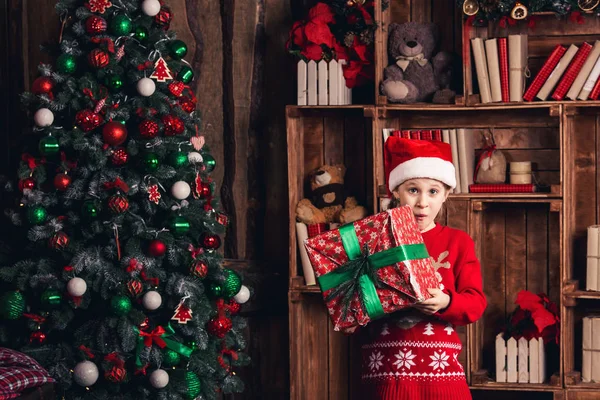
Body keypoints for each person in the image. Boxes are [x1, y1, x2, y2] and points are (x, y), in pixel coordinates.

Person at [359, 137, 487, 400]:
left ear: (446, 194)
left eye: (433, 191)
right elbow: (356, 295)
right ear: (395, 191)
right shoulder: (374, 239)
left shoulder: (458, 241)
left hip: (440, 373)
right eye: (413, 190)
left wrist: (446, 301)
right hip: (387, 371)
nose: (422, 203)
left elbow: (476, 303)